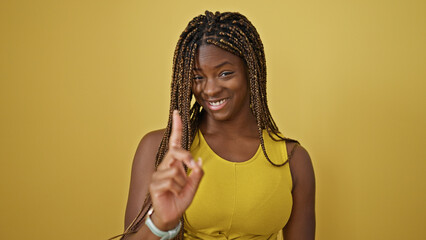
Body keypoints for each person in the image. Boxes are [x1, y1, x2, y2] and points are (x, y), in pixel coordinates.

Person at [112, 10, 315, 240]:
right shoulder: (159, 149)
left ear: (252, 71)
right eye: (198, 77)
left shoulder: (293, 160)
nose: (209, 90)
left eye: (225, 73)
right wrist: (160, 223)